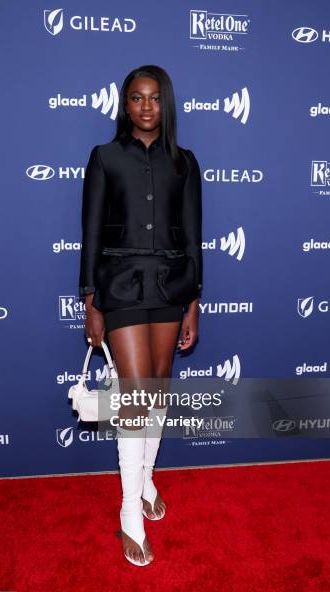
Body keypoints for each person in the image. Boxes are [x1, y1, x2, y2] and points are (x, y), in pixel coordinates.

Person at [78, 65, 203, 566]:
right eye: (136, 97)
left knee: (156, 392)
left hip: (172, 285)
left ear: (165, 103)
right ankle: (130, 508)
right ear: (124, 104)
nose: (146, 106)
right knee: (134, 399)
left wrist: (193, 300)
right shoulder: (105, 157)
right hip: (121, 285)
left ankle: (147, 477)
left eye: (153, 98)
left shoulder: (185, 163)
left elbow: (193, 236)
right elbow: (89, 233)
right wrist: (90, 300)